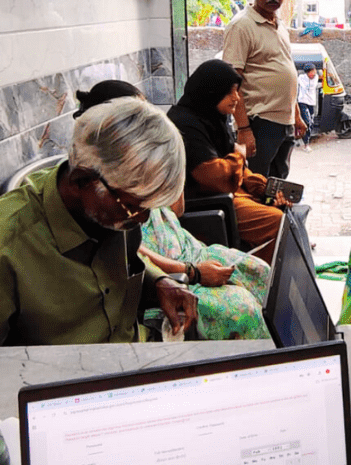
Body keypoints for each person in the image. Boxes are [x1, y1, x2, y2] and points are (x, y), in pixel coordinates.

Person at [0, 96, 198, 347]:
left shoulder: (114, 211)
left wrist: (159, 282)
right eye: (132, 207)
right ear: (83, 179)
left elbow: (122, 268)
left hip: (130, 356)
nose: (141, 219)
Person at [75, 80, 272, 341]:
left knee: (263, 273)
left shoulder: (143, 166)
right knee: (243, 309)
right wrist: (193, 271)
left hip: (191, 250)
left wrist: (172, 159)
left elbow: (176, 210)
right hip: (174, 273)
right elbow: (131, 251)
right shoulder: (100, 192)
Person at [168, 59, 289, 265]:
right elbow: (215, 177)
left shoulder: (213, 118)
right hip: (208, 199)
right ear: (211, 92)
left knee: (283, 207)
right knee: (274, 222)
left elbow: (237, 168)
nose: (236, 98)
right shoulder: (185, 124)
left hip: (229, 194)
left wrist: (263, 188)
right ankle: (262, 281)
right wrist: (240, 154)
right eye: (230, 92)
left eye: (237, 91)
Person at [223, 0, 306, 178]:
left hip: (284, 122)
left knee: (277, 184)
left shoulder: (279, 25)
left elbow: (285, 73)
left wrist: (296, 115)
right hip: (259, 122)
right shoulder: (241, 26)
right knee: (256, 184)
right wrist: (244, 129)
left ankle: (275, 213)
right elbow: (232, 82)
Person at [297, 64, 319, 152]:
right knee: (308, 122)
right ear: (308, 72)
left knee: (311, 123)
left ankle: (301, 137)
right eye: (312, 71)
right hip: (302, 102)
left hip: (311, 103)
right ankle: (306, 144)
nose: (314, 73)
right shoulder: (301, 78)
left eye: (315, 71)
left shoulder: (316, 77)